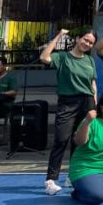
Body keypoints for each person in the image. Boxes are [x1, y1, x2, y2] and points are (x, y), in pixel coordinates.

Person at [41, 28, 98, 195]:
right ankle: (51, 180)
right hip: (67, 101)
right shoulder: (63, 57)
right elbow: (44, 57)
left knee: (80, 141)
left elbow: (93, 83)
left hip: (87, 101)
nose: (87, 44)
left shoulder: (89, 60)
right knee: (61, 139)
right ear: (78, 38)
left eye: (90, 43)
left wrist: (95, 102)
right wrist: (58, 36)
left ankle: (73, 175)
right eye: (85, 40)